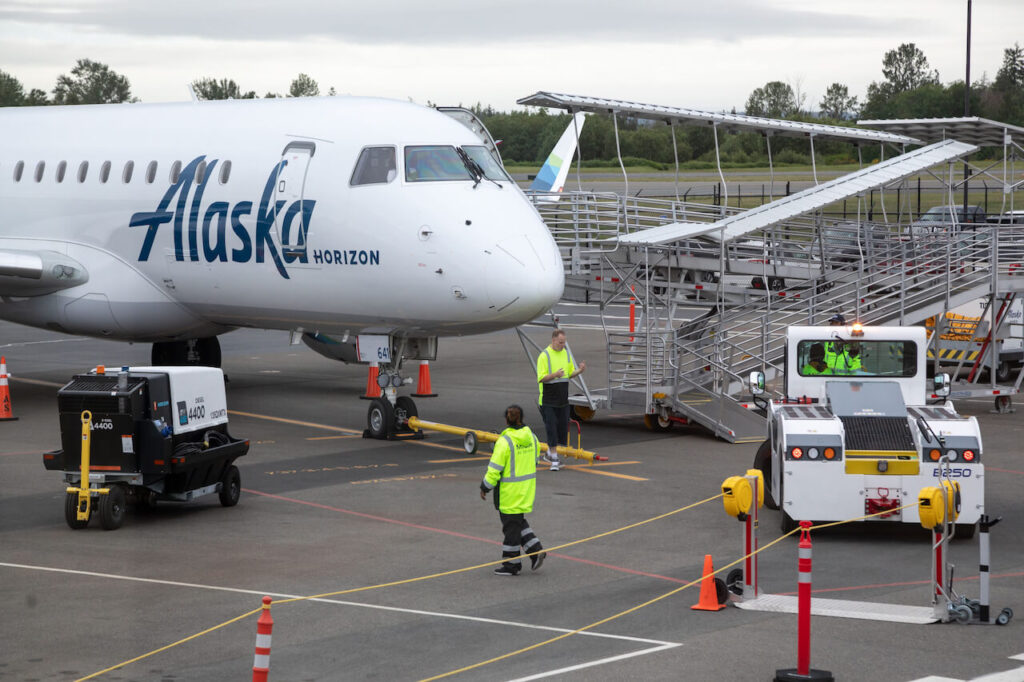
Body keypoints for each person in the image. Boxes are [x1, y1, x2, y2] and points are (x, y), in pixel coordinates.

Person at [479, 405, 546, 576]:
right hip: (526, 489)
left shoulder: (505, 441)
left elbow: (495, 468)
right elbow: (535, 459)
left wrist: (485, 486)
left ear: (506, 420)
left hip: (508, 493)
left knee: (510, 528)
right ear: (521, 418)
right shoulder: (532, 437)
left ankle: (511, 564)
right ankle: (535, 550)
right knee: (517, 522)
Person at [536, 328, 585, 471]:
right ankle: (555, 460)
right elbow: (541, 378)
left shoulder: (566, 354)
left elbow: (569, 374)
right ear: (553, 340)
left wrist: (580, 371)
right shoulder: (544, 356)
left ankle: (549, 453)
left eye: (564, 342)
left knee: (562, 428)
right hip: (548, 399)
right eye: (560, 342)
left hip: (562, 399)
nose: (562, 345)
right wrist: (555, 375)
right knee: (551, 428)